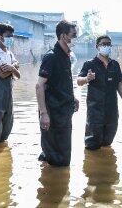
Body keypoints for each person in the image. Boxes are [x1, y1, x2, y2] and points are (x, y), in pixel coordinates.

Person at [36, 20, 79, 166]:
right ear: (63, 36)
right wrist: (44, 113)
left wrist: (73, 97)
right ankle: (51, 184)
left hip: (64, 110)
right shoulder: (51, 56)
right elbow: (39, 86)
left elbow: (64, 81)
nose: (75, 38)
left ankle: (53, 176)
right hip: (52, 111)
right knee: (57, 157)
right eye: (73, 35)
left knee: (63, 152)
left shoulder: (67, 56)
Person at [77, 35, 122, 150]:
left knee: (107, 143)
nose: (106, 46)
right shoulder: (89, 64)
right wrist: (87, 78)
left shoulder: (115, 65)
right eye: (103, 44)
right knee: (92, 145)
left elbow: (119, 84)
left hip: (111, 111)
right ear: (97, 47)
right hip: (95, 111)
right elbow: (78, 81)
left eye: (108, 44)